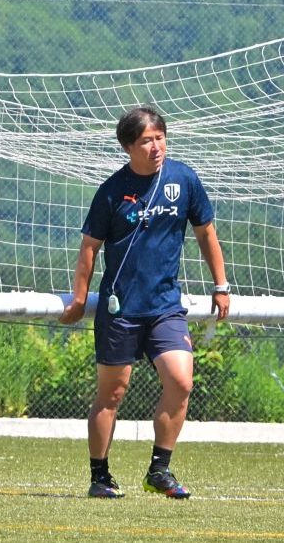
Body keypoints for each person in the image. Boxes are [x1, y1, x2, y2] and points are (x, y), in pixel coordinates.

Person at [55, 105, 230, 501]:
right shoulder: (112, 191)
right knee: (112, 395)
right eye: (147, 141)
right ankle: (100, 476)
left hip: (165, 306)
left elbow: (206, 233)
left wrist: (221, 285)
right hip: (121, 309)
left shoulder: (183, 179)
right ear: (128, 147)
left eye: (160, 138)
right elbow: (89, 248)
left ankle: (159, 470)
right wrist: (80, 298)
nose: (156, 147)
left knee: (181, 381)